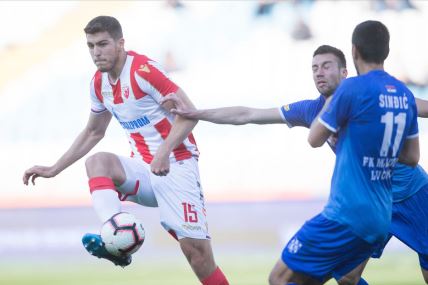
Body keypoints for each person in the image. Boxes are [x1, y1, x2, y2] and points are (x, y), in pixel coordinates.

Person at [162, 23, 423, 285]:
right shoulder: (311, 109)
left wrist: (376, 149)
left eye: (326, 66)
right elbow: (249, 114)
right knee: (346, 278)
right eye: (314, 68)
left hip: (410, 193)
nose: (319, 73)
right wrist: (197, 113)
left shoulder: (362, 92)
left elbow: (414, 108)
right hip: (373, 203)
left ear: (346, 69)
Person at [22, 16, 229, 285]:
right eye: (91, 46)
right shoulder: (99, 84)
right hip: (144, 168)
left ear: (120, 43)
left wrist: (164, 151)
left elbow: (190, 114)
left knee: (197, 255)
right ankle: (114, 239)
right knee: (98, 163)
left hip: (176, 164)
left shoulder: (144, 71)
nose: (96, 52)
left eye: (103, 44)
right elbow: (94, 131)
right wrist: (53, 168)